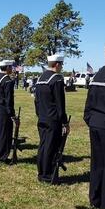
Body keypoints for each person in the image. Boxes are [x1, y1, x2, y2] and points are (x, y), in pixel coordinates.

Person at [84, 44, 105, 209]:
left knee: (97, 163)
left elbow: (88, 104)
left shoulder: (97, 75)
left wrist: (91, 120)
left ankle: (95, 198)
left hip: (96, 123)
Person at [34, 54, 69, 183]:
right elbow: (60, 104)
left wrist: (39, 114)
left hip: (42, 116)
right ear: (57, 64)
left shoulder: (41, 78)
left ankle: (41, 172)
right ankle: (48, 174)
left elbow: (36, 101)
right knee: (51, 147)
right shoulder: (57, 79)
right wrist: (64, 122)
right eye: (62, 65)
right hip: (53, 118)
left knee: (43, 145)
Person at [0, 60, 18, 164]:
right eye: (10, 67)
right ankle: (2, 156)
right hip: (3, 109)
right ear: (7, 68)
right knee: (5, 133)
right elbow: (9, 100)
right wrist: (12, 114)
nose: (12, 69)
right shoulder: (7, 80)